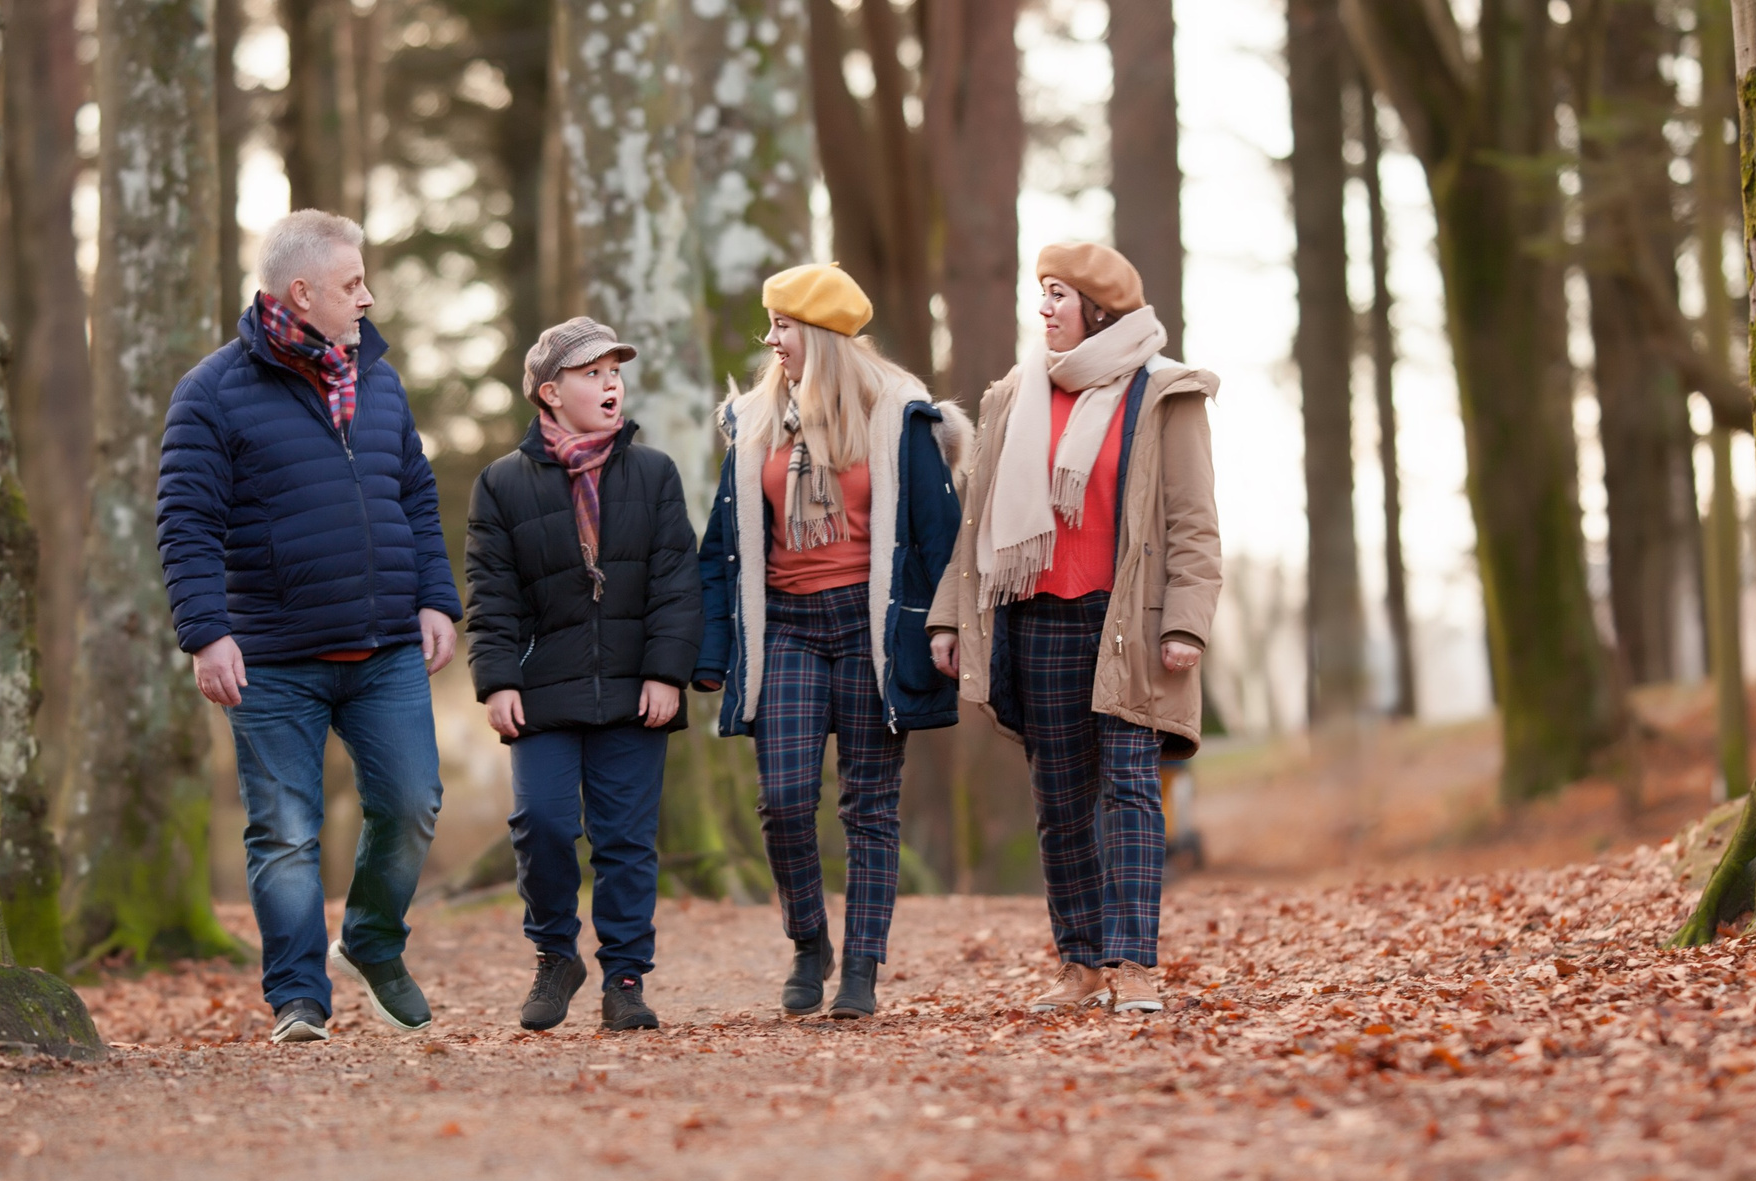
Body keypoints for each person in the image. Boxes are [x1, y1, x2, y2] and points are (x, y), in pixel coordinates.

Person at [158, 209, 461, 1044]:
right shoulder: (212, 393)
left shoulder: (382, 381)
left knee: (411, 802)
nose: (367, 298)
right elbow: (185, 523)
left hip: (386, 645)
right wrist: (205, 632)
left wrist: (437, 598)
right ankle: (298, 995)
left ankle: (370, 936)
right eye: (352, 283)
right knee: (285, 830)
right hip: (271, 656)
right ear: (300, 291)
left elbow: (416, 497)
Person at [926, 243, 1220, 1014]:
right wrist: (951, 616)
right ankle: (1081, 963)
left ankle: (1137, 967)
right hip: (1036, 620)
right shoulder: (1014, 395)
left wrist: (1186, 623)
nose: (1045, 308)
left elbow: (1193, 525)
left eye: (1058, 294)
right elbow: (979, 520)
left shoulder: (1161, 392)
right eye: (1041, 294)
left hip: (1128, 622)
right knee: (1060, 799)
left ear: (1098, 307)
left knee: (1129, 789)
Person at [695, 264, 971, 1019]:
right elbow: (723, 543)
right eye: (770, 326)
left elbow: (939, 540)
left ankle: (862, 967)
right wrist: (711, 650)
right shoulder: (753, 421)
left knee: (870, 806)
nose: (771, 340)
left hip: (870, 625)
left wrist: (945, 627)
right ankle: (809, 939)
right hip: (787, 622)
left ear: (819, 334)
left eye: (783, 326)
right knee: (783, 798)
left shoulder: (896, 415)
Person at [465, 318, 703, 1033]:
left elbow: (675, 582)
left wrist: (667, 672)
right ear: (549, 392)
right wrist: (498, 678)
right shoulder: (501, 484)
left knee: (625, 837)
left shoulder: (653, 472)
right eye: (591, 373)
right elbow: (491, 590)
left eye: (614, 372)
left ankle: (624, 978)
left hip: (635, 688)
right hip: (542, 686)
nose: (610, 384)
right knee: (539, 821)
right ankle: (553, 954)